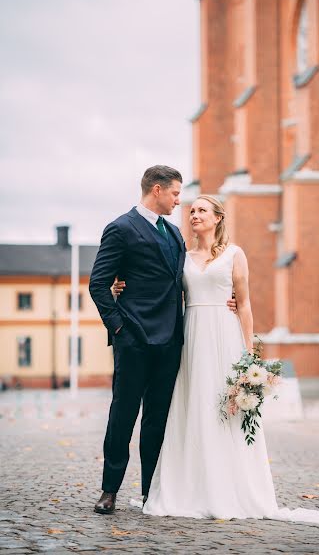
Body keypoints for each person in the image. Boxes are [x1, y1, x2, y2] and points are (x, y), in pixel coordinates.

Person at [115, 194, 319, 524]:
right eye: (191, 210)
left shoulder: (235, 254)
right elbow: (158, 286)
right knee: (193, 408)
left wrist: (250, 355)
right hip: (191, 337)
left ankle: (232, 489)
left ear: (218, 218)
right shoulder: (181, 255)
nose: (194, 214)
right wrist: (119, 285)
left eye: (202, 210)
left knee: (226, 410)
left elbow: (245, 303)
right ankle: (192, 489)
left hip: (225, 337)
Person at [89, 166, 236, 514]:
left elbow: (185, 282)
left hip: (172, 342)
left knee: (158, 420)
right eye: (175, 194)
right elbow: (99, 283)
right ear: (157, 190)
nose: (179, 201)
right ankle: (109, 491)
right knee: (123, 416)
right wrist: (119, 327)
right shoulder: (121, 228)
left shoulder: (173, 234)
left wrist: (224, 300)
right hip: (134, 339)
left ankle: (149, 494)